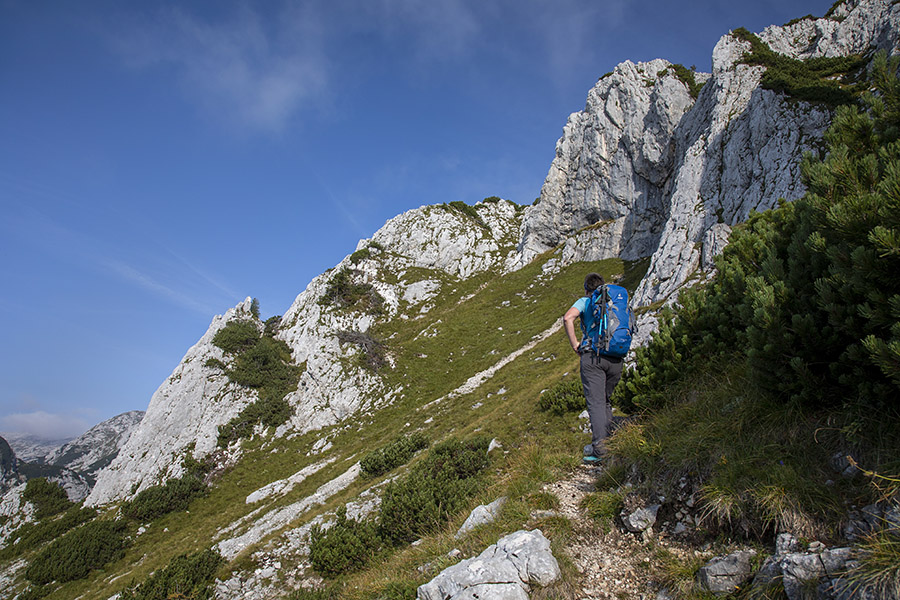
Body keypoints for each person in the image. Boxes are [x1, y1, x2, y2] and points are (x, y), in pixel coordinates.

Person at [563, 272, 624, 465]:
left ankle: (600, 450)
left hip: (594, 357)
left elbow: (567, 318)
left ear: (586, 289)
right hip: (616, 357)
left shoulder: (586, 301)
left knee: (596, 403)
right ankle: (612, 442)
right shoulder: (613, 300)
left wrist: (575, 344)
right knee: (605, 401)